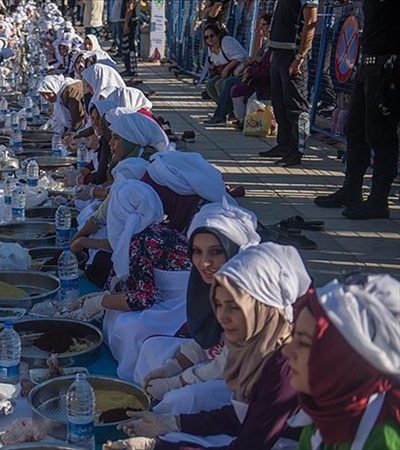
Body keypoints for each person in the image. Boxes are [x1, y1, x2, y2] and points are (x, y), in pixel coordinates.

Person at [107, 242, 310, 450]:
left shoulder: (285, 365)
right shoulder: (257, 347)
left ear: (265, 307)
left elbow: (248, 444)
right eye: (219, 305)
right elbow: (240, 415)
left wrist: (156, 446)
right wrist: (172, 423)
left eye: (234, 307)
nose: (222, 317)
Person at [134, 202, 261, 416]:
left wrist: (178, 381)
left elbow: (227, 362)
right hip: (218, 360)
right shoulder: (209, 282)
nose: (204, 263)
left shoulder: (250, 294)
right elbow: (206, 338)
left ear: (234, 252)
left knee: (185, 398)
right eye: (197, 251)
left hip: (246, 377)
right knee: (153, 348)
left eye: (216, 252)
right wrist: (174, 366)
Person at [78, 180, 191, 381]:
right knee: (114, 312)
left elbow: (142, 299)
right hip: (171, 297)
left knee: (127, 325)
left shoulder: (140, 241)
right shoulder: (154, 230)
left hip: (182, 307)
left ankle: (133, 376)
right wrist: (105, 296)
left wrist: (101, 302)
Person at [283, 274, 400, 449]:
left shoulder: (383, 437)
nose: (287, 351)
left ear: (344, 359)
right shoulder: (330, 412)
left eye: (305, 343)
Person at [313, 1, 400, 219]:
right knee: (355, 130)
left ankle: (379, 199)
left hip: (385, 67)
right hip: (366, 65)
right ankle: (352, 189)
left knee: (381, 135)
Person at [258, 0, 318, 167]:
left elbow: (311, 22)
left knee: (296, 107)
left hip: (292, 55)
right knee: (279, 103)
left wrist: (300, 56)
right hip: (278, 52)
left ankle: (297, 150)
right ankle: (283, 145)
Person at [229, 14, 273, 128]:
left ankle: (242, 120)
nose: (261, 29)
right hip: (255, 77)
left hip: (264, 82)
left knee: (233, 86)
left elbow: (266, 68)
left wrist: (250, 71)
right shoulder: (266, 43)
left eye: (264, 25)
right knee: (223, 83)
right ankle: (237, 117)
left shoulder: (273, 46)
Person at [202, 23, 247, 125]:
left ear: (218, 35)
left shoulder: (227, 42)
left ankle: (220, 115)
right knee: (210, 85)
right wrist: (213, 67)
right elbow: (215, 60)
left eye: (212, 36)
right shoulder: (211, 48)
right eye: (206, 37)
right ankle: (229, 111)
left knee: (220, 85)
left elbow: (240, 57)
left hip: (238, 71)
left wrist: (227, 69)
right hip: (225, 72)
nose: (209, 39)